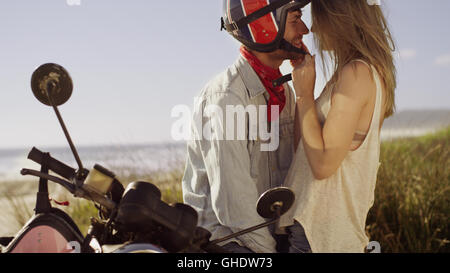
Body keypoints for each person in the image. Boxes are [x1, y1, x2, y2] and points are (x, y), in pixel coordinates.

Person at [182, 0, 311, 253]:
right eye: (295, 20)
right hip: (227, 240)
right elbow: (233, 207)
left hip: (267, 234)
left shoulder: (284, 90)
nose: (305, 30)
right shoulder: (226, 97)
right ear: (264, 26)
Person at [278, 0, 397, 253]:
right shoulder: (349, 73)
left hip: (321, 235)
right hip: (316, 230)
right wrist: (304, 89)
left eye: (319, 19)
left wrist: (304, 96)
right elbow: (305, 150)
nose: (313, 30)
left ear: (339, 18)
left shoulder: (357, 73)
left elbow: (322, 165)